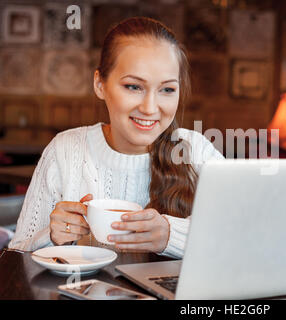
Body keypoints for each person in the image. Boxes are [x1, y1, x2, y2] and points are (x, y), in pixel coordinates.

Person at [8, 17, 224, 259]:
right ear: (100, 84)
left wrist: (171, 236)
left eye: (167, 89)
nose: (150, 108)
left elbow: (251, 236)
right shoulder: (65, 150)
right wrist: (51, 236)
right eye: (133, 86)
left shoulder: (196, 151)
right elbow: (15, 255)